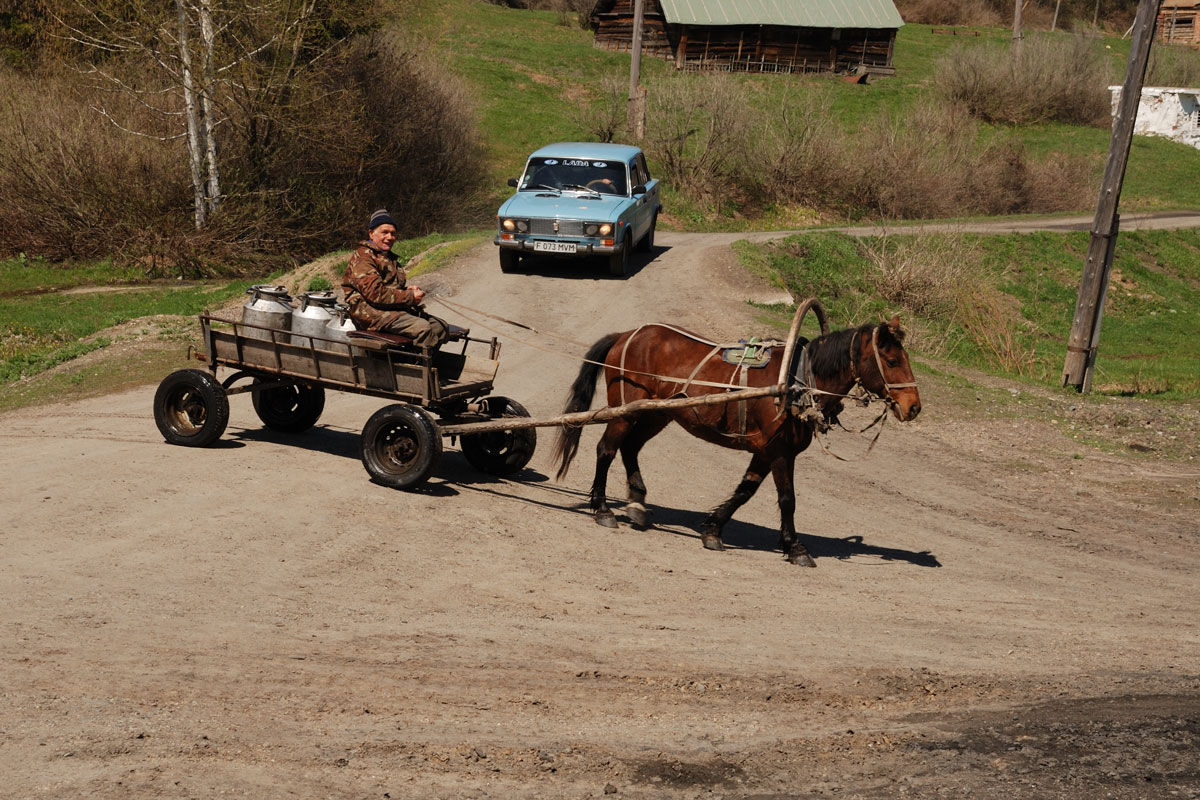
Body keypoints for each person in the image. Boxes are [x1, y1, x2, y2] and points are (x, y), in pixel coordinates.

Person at [341, 208, 449, 349]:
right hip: (370, 314)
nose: (390, 237)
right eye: (384, 232)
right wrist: (409, 296)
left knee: (440, 327)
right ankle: (415, 368)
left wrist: (407, 290)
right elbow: (376, 294)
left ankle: (423, 360)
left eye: (393, 233)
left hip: (389, 310)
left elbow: (391, 288)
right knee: (423, 329)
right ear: (371, 234)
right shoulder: (364, 258)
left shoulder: (387, 257)